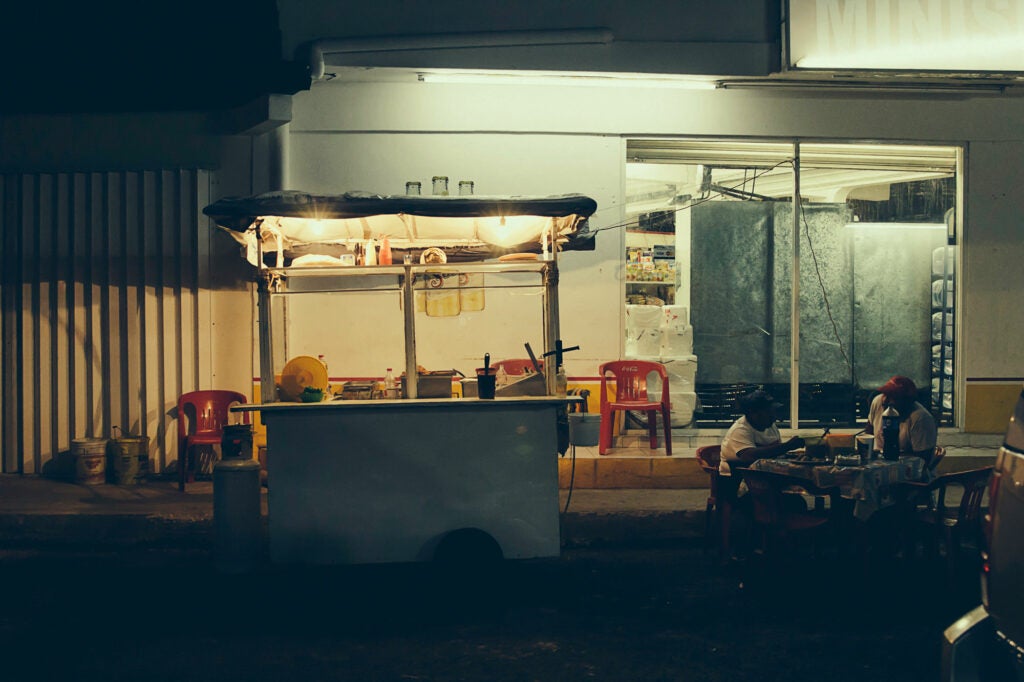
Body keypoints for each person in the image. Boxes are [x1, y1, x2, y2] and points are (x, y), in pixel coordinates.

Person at [719, 389, 805, 477]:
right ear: (753, 413)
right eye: (769, 412)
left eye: (774, 411)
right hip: (736, 478)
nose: (774, 416)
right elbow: (749, 456)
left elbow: (776, 453)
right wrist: (788, 446)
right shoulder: (740, 430)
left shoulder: (771, 426)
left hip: (763, 473)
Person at [865, 375, 938, 464]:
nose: (886, 400)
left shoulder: (921, 419)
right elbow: (868, 431)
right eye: (886, 394)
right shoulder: (878, 402)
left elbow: (923, 460)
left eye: (893, 397)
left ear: (906, 402)